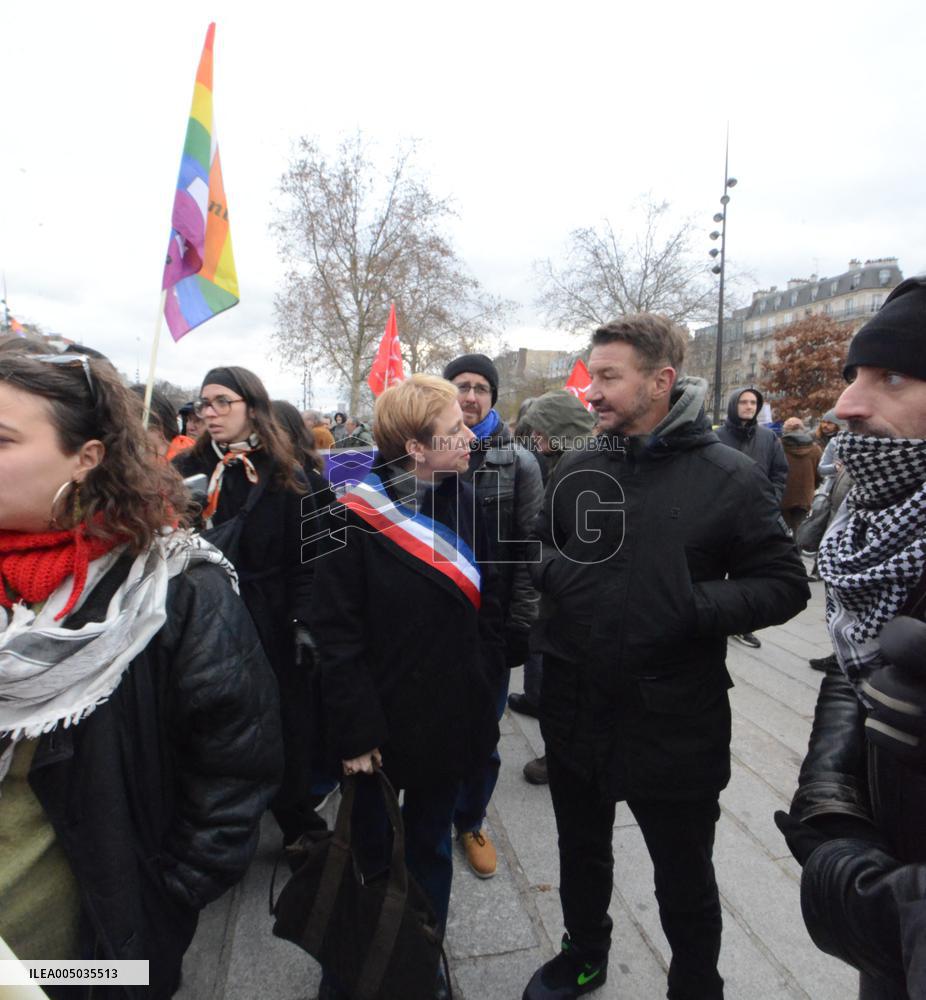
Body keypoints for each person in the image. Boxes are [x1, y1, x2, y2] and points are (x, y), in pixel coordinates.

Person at [522, 314, 809, 1000]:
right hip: (575, 704)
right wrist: (560, 573)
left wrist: (688, 605)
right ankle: (584, 953)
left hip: (675, 717)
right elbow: (536, 543)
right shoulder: (581, 464)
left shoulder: (730, 476)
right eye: (592, 376)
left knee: (683, 875)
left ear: (661, 381)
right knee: (579, 849)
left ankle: (696, 983)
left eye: (608, 376)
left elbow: (785, 583)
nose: (592, 391)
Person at [0, 353, 282, 999]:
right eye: (204, 402)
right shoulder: (194, 462)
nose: (209, 413)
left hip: (77, 958)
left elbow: (236, 765)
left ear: (87, 457)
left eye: (2, 439)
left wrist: (167, 899)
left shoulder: (176, 586)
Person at [309, 374, 504, 1000]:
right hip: (379, 729)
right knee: (368, 853)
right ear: (416, 447)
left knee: (430, 848)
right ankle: (352, 966)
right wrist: (355, 732)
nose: (469, 435)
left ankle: (421, 960)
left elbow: (490, 602)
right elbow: (335, 635)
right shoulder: (346, 514)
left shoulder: (466, 497)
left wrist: (484, 686)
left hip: (447, 718)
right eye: (454, 429)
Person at [775, 276, 926, 1000]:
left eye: (892, 377)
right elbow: (854, 663)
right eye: (854, 375)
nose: (847, 405)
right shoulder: (873, 524)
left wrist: (867, 898)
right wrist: (832, 793)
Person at [173, 367, 318, 848]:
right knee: (207, 725)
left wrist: (305, 621)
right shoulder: (183, 471)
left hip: (270, 619)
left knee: (284, 723)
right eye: (204, 403)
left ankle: (297, 823)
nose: (209, 413)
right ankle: (210, 830)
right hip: (201, 618)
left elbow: (312, 560)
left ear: (253, 408)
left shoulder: (290, 476)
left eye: (222, 402)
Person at [441, 353, 543, 876]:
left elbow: (531, 548)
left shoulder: (520, 462)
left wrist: (522, 623)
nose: (471, 396)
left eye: (481, 388)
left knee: (483, 731)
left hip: (492, 622)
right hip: (435, 622)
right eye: (461, 385)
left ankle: (470, 819)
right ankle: (429, 811)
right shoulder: (423, 452)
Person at [506, 388, 596, 786]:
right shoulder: (565, 461)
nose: (536, 439)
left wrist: (546, 568)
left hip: (573, 600)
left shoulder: (581, 469)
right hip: (562, 592)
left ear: (562, 430)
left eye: (542, 431)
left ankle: (560, 757)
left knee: (567, 689)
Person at [715, 385, 790, 649]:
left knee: (747, 573)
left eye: (753, 403)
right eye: (743, 402)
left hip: (754, 516)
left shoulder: (768, 438)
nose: (749, 407)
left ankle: (741, 624)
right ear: (733, 404)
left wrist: (771, 500)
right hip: (720, 514)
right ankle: (715, 618)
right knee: (715, 571)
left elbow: (779, 473)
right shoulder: (717, 436)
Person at [780, 416, 822, 537]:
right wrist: (811, 486)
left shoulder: (777, 446)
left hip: (782, 495)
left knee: (781, 532)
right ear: (803, 429)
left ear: (785, 431)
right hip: (804, 496)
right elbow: (820, 474)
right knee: (800, 531)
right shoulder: (815, 449)